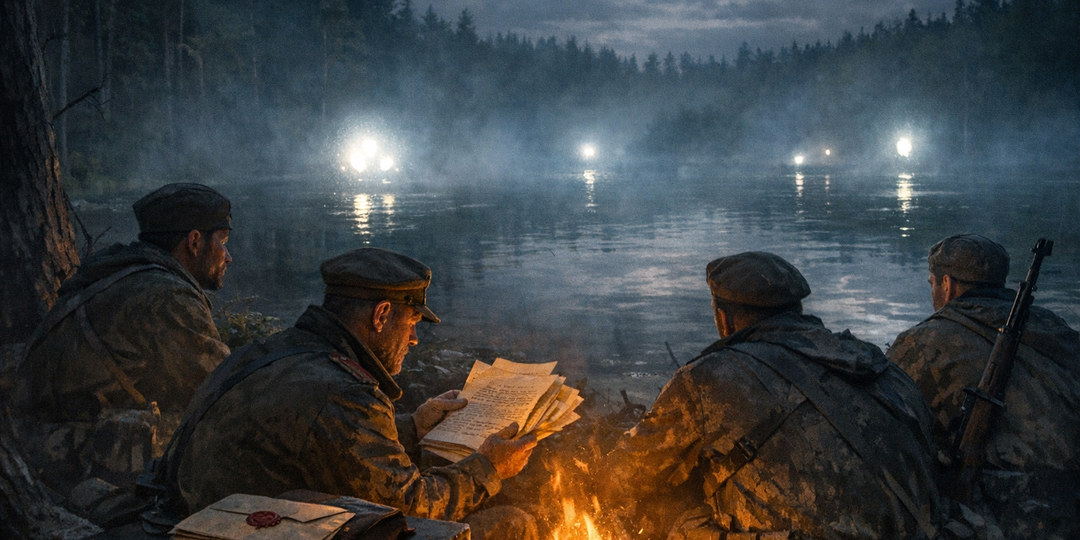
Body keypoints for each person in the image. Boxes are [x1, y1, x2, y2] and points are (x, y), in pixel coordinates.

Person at [161, 247, 539, 539]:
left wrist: (415, 427)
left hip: (193, 519)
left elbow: (324, 443)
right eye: (410, 323)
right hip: (235, 530)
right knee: (511, 524)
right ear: (380, 316)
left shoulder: (270, 351)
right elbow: (411, 509)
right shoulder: (343, 392)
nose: (414, 338)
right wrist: (489, 467)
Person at [604, 251, 943, 539]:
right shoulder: (874, 361)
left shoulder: (710, 379)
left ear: (724, 319)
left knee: (665, 506)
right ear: (796, 309)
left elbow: (627, 475)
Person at [12, 183, 233, 502]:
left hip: (36, 436)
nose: (228, 256)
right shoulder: (166, 297)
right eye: (223, 242)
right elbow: (226, 390)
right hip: (51, 454)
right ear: (194, 241)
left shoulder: (125, 272)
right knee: (201, 434)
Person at [887, 234, 1080, 539]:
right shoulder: (1060, 332)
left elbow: (888, 435)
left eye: (932, 284)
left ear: (946, 285)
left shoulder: (921, 344)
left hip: (992, 522)